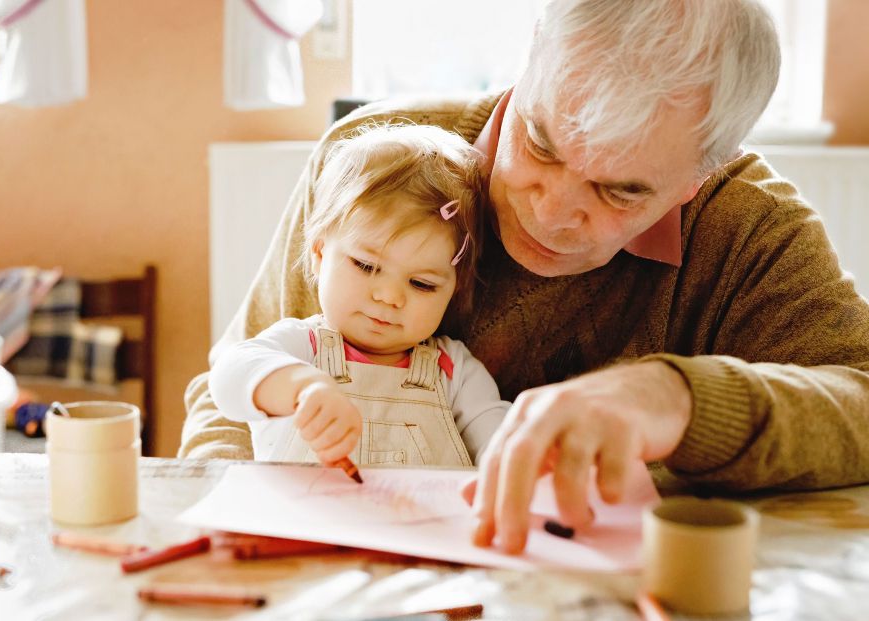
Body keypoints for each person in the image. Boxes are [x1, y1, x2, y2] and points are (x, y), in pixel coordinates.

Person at [180, 0, 869, 555]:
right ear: (533, 52)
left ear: (699, 175)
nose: (553, 210)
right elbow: (229, 398)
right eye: (540, 143)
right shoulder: (377, 164)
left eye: (620, 190)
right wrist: (233, 547)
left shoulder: (748, 227)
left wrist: (679, 398)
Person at [207, 123, 509, 467]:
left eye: (422, 284)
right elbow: (228, 377)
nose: (389, 297)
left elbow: (499, 441)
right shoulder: (303, 347)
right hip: (301, 518)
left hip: (418, 520)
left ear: (454, 290)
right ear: (320, 255)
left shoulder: (454, 371)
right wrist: (302, 388)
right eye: (366, 266)